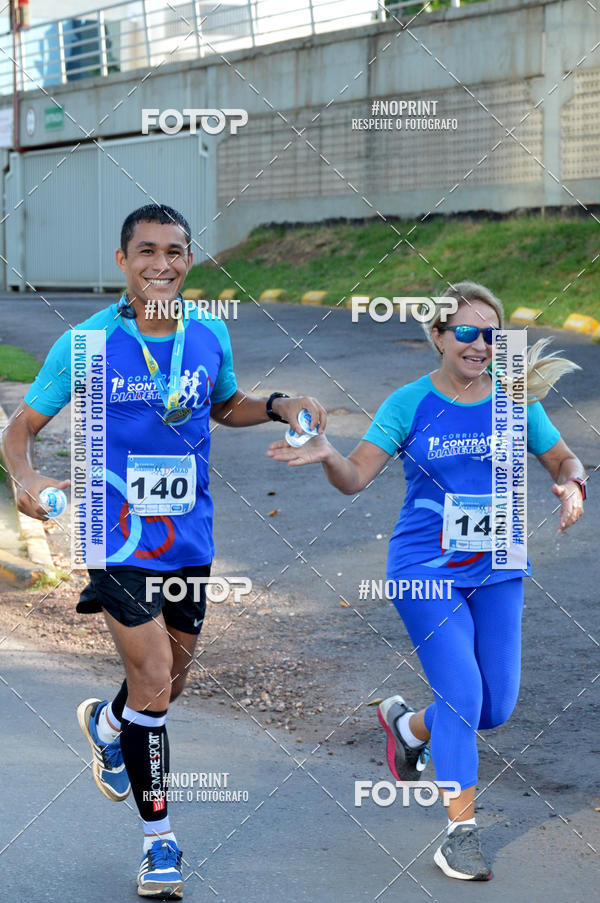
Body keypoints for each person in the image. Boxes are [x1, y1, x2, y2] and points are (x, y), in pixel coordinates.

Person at [1, 203, 327, 900]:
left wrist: (276, 403)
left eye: (175, 251)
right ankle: (161, 843)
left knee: (169, 683)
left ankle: (108, 721)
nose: (162, 263)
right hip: (115, 537)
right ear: (122, 261)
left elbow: (224, 402)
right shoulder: (84, 345)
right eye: (147, 250)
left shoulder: (207, 335)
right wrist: (25, 477)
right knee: (151, 674)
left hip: (189, 537)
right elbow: (19, 429)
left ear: (188, 259)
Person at [267, 281, 586, 881]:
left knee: (493, 708)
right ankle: (460, 834)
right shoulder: (409, 403)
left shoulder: (517, 394)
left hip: (499, 566)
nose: (480, 344)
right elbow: (356, 476)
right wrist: (330, 455)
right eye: (465, 331)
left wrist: (574, 484)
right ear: (437, 337)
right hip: (424, 570)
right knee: (463, 698)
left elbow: (563, 459)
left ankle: (408, 727)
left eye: (492, 334)